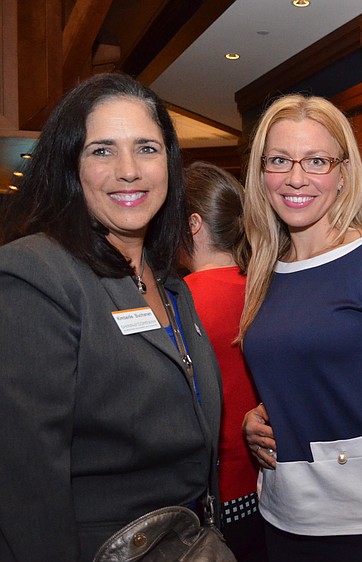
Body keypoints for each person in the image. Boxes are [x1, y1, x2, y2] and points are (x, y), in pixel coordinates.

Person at [0, 73, 222, 560]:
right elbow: (25, 483)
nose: (128, 170)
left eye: (147, 148)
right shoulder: (36, 274)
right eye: (102, 150)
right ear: (70, 167)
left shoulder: (170, 287)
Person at [237, 94, 362, 562]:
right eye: (280, 160)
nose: (296, 178)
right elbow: (300, 374)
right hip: (281, 517)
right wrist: (259, 418)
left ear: (344, 172)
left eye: (317, 161)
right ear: (261, 173)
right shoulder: (266, 269)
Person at [182, 161, 267, 562]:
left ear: (193, 223)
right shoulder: (266, 285)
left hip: (212, 496)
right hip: (269, 489)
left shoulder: (179, 302)